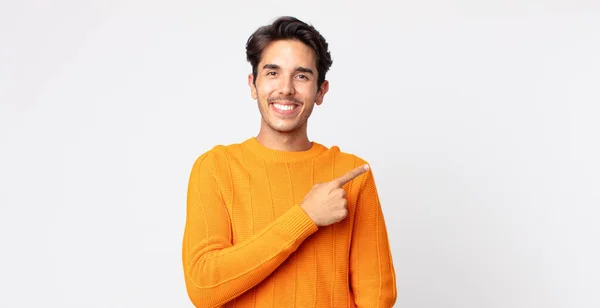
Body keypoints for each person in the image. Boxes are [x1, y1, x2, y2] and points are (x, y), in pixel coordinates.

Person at [182, 16, 397, 307]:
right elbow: (204, 287)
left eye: (302, 76)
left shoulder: (351, 174)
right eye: (272, 73)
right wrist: (305, 217)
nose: (285, 89)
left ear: (321, 91)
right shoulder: (216, 168)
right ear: (253, 85)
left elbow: (377, 298)